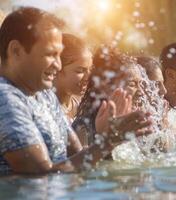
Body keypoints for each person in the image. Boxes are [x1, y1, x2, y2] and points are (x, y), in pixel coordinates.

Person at [0, 7, 151, 174]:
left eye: (59, 55)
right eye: (50, 54)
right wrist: (107, 142)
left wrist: (109, 137)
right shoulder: (5, 98)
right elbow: (40, 175)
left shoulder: (44, 95)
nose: (57, 65)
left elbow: (79, 158)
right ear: (16, 51)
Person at [73, 47, 148, 147]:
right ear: (105, 86)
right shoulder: (83, 129)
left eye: (140, 84)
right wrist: (106, 138)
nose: (141, 92)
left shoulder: (134, 123)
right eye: (132, 84)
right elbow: (81, 162)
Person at [54, 33, 92, 121]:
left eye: (90, 69)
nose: (88, 77)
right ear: (57, 69)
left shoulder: (80, 107)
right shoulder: (45, 109)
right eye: (80, 71)